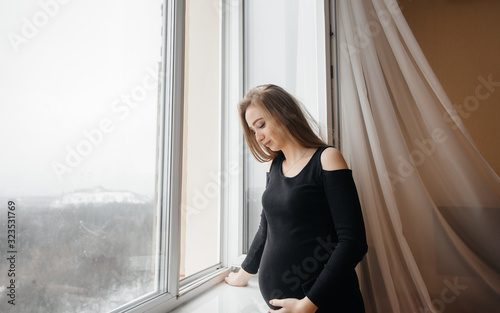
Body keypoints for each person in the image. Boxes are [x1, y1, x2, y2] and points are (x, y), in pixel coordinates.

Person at [225, 84, 368, 313]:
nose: (258, 136)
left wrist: (307, 304)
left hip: (328, 304)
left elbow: (353, 242)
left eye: (261, 125)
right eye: (253, 130)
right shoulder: (275, 166)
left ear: (283, 113)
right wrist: (244, 274)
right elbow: (267, 227)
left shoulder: (327, 159)